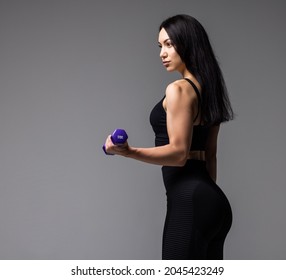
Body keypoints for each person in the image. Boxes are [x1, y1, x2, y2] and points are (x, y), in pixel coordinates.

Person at [104, 14, 234, 260]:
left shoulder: (178, 89)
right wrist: (205, 197)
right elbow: (211, 155)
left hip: (189, 199)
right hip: (214, 201)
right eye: (160, 45)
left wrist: (128, 151)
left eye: (169, 44)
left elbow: (178, 153)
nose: (162, 53)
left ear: (188, 44)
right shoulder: (209, 91)